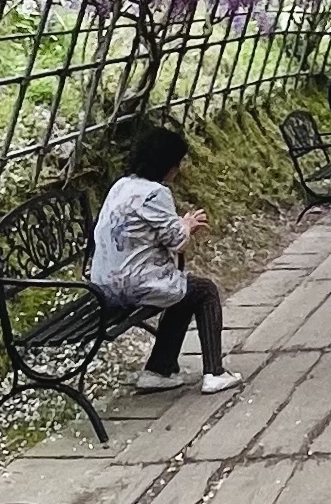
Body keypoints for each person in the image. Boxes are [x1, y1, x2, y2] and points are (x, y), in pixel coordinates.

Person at [90, 120, 233, 390]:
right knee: (204, 290)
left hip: (102, 285)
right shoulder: (156, 193)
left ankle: (159, 369)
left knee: (183, 290)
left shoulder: (121, 185)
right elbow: (177, 241)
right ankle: (215, 372)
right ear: (168, 165)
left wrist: (179, 225)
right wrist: (187, 224)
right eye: (178, 163)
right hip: (131, 286)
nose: (179, 169)